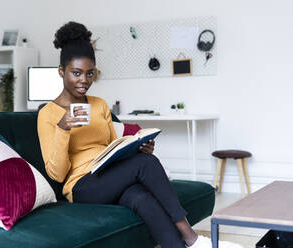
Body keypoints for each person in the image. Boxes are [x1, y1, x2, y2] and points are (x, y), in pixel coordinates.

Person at [37, 21, 242, 248]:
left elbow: (109, 148)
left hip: (107, 175)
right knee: (145, 164)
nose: (84, 80)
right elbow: (57, 174)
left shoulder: (100, 105)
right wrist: (63, 129)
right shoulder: (48, 114)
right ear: (61, 71)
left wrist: (135, 147)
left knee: (140, 198)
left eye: (89, 73)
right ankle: (192, 238)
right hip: (81, 187)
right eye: (76, 73)